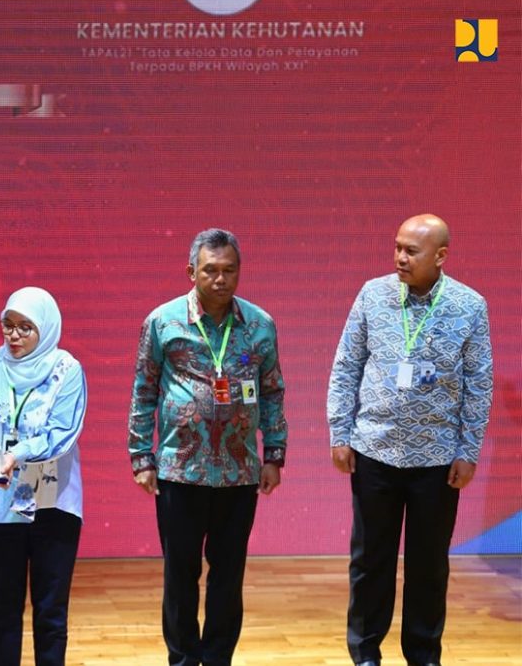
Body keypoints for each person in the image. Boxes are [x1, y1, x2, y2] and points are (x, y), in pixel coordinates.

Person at [327, 214, 493, 666]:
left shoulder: (469, 305)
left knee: (429, 565)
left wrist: (468, 450)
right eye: (397, 247)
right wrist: (340, 432)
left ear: (440, 256)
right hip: (374, 450)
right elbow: (346, 366)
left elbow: (479, 384)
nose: (400, 257)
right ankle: (365, 653)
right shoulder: (372, 294)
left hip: (437, 459)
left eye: (411, 251)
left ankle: (423, 655)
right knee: (370, 561)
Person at [127, 228, 287, 666]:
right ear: (191, 272)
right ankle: (182, 658)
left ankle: (218, 658)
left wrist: (274, 453)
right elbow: (144, 389)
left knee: (228, 576)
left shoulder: (260, 324)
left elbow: (272, 391)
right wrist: (141, 456)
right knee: (180, 576)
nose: (220, 279)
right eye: (210, 270)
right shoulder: (163, 322)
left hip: (239, 470)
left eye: (229, 270)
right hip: (179, 470)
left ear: (240, 271)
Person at [0, 287, 88, 666]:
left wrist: (17, 453)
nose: (13, 336)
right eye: (8, 325)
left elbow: (62, 433)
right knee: (2, 613)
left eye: (25, 328)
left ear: (45, 328)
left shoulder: (67, 370)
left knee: (51, 612)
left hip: (52, 501)